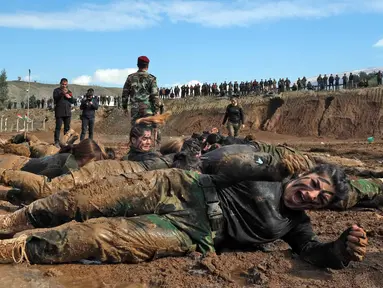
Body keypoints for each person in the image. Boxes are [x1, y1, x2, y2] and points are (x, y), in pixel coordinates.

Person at [0, 152, 367, 269]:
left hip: (192, 233)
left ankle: (14, 249)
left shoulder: (294, 224)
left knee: (97, 238)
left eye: (321, 199)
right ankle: (13, 220)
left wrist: (338, 250)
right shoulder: (269, 170)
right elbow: (218, 162)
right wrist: (266, 161)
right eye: (315, 184)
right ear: (305, 174)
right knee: (80, 200)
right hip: (179, 186)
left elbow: (310, 251)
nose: (310, 195)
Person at [53, 78, 76, 148]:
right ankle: (56, 142)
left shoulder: (69, 91)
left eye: (65, 84)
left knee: (67, 128)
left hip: (67, 112)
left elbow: (72, 101)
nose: (64, 86)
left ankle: (65, 141)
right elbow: (55, 98)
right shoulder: (56, 91)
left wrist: (69, 97)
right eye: (63, 84)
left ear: (67, 84)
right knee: (58, 127)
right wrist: (62, 93)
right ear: (60, 84)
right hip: (59, 112)